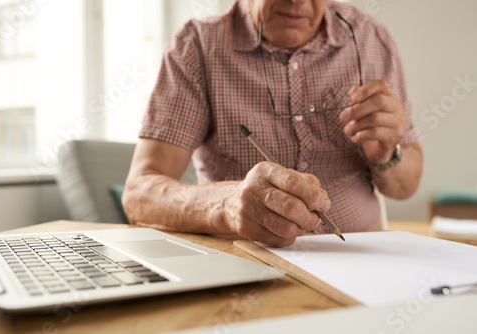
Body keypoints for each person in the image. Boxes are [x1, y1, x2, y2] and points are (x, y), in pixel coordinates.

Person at [122, 0, 423, 247]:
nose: (297, 1)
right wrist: (228, 204)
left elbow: (406, 186)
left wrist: (385, 154)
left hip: (360, 251)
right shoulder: (197, 46)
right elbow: (139, 195)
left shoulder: (371, 39)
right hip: (242, 259)